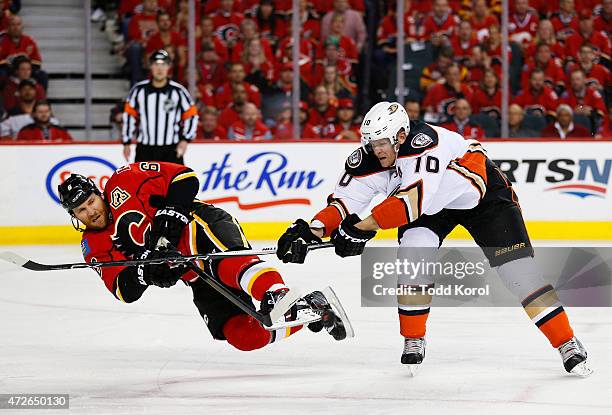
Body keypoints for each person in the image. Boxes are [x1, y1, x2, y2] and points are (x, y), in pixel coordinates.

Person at [276, 101, 592, 376]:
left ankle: (566, 342)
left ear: (401, 136)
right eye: (372, 143)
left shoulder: (426, 143)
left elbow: (412, 202)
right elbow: (343, 203)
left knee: (519, 275)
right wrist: (312, 228)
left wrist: (361, 228)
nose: (377, 150)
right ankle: (413, 337)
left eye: (383, 142)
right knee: (413, 257)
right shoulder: (369, 158)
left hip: (479, 196)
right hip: (429, 205)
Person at [57, 164, 349, 353]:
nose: (90, 212)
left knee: (226, 264)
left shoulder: (126, 181)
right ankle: (312, 308)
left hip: (199, 226)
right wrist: (147, 272)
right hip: (190, 270)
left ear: (99, 193)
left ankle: (278, 293)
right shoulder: (93, 244)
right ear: (74, 217)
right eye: (81, 210)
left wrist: (169, 221)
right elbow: (124, 290)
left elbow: (184, 178)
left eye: (90, 201)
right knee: (242, 336)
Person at [122, 50, 199, 164]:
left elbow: (192, 115)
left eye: (163, 64)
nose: (160, 69)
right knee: (143, 181)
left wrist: (185, 140)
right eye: (156, 64)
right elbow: (129, 116)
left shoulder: (178, 91)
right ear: (151, 67)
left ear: (168, 67)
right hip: (145, 149)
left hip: (171, 148)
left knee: (175, 181)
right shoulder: (139, 90)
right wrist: (127, 142)